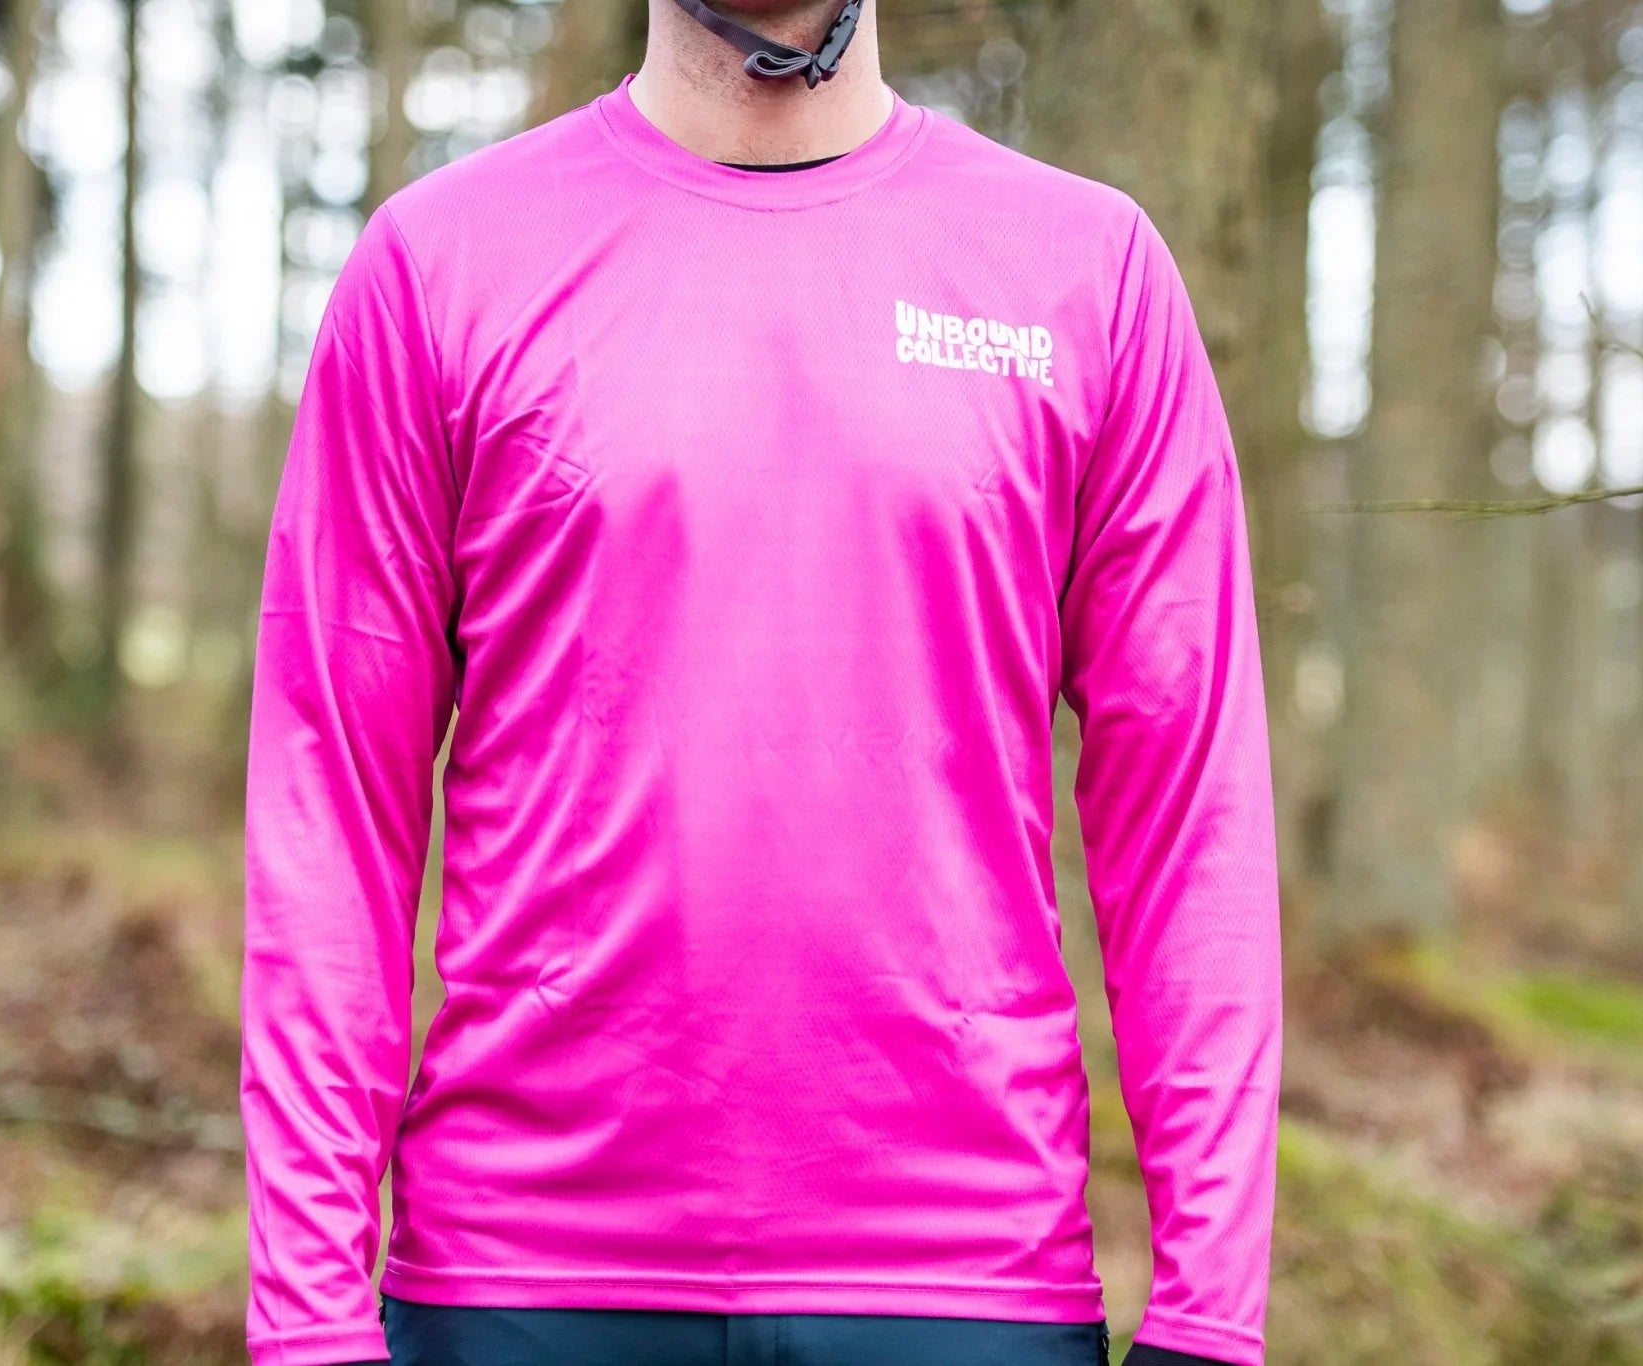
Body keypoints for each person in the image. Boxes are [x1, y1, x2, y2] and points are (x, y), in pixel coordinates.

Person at [237, 0, 1284, 1362]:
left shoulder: (1087, 271)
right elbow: (330, 806)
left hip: (965, 1288)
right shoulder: (438, 263)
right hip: (520, 1282)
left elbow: (1191, 814)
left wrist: (1211, 1306)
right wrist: (308, 1315)